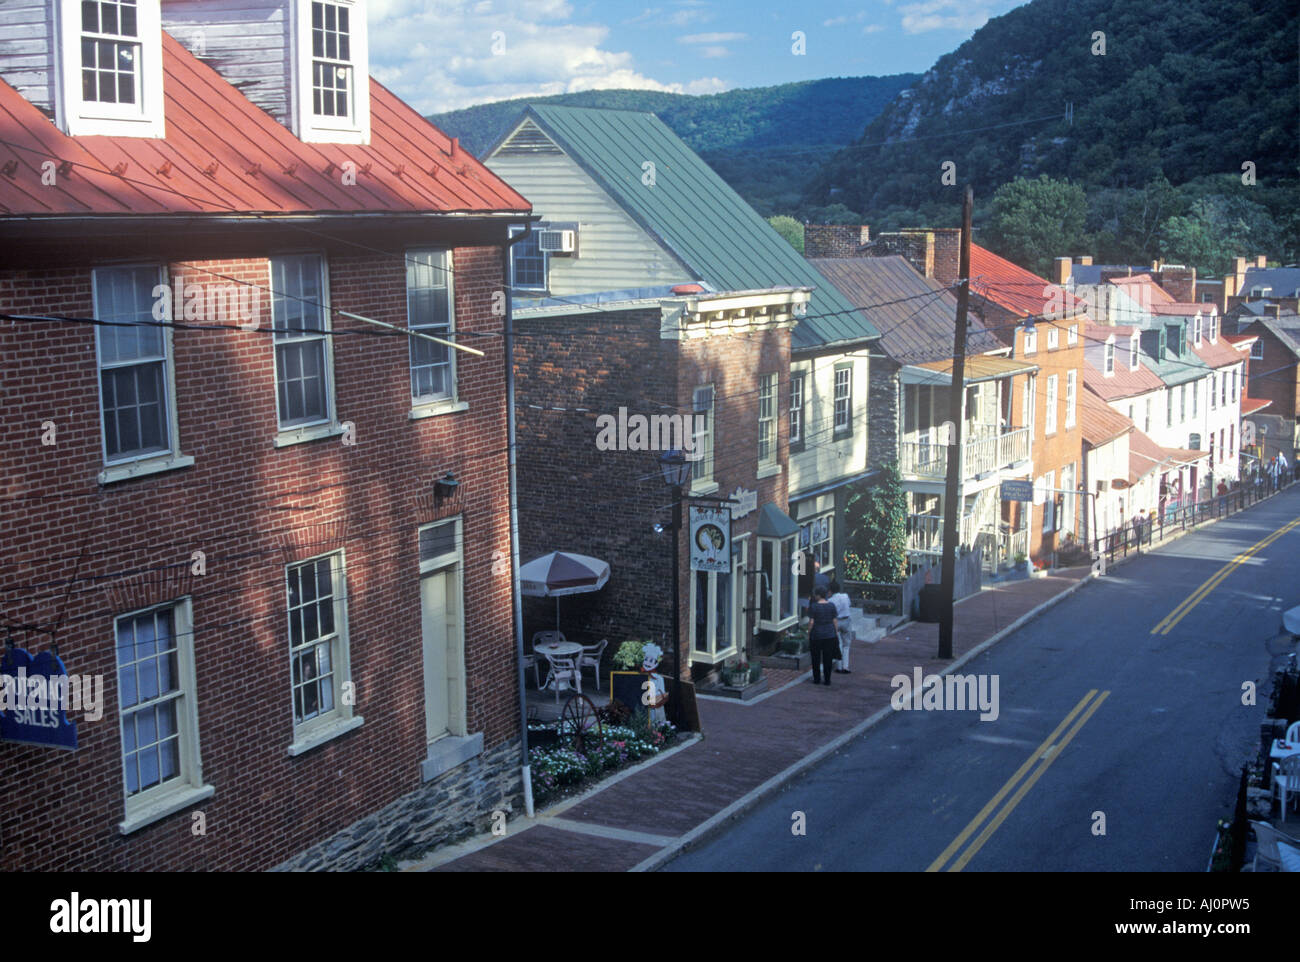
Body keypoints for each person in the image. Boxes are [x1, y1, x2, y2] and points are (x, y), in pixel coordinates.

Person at [807, 586, 839, 686]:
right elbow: (834, 620)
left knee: (815, 657)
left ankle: (816, 678)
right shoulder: (832, 606)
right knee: (827, 658)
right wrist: (836, 632)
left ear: (818, 595)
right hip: (829, 635)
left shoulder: (814, 606)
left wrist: (809, 632)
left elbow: (811, 622)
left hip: (816, 635)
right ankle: (827, 679)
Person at [827, 579, 854, 674]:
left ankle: (838, 666)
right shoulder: (845, 596)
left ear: (830, 591)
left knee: (838, 644)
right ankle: (845, 667)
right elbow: (849, 605)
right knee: (846, 645)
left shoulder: (830, 601)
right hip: (846, 620)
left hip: (836, 621)